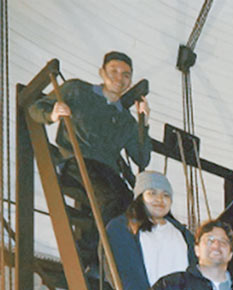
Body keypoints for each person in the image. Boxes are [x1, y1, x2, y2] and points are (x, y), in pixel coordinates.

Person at [29, 51, 152, 267]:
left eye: (126, 74)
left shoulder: (126, 120)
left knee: (133, 210)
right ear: (101, 72)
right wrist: (53, 113)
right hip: (76, 161)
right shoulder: (77, 90)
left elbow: (142, 156)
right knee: (111, 201)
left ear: (130, 80)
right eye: (113, 71)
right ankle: (94, 258)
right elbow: (35, 108)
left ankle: (110, 261)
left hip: (108, 173)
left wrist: (144, 123)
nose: (119, 77)